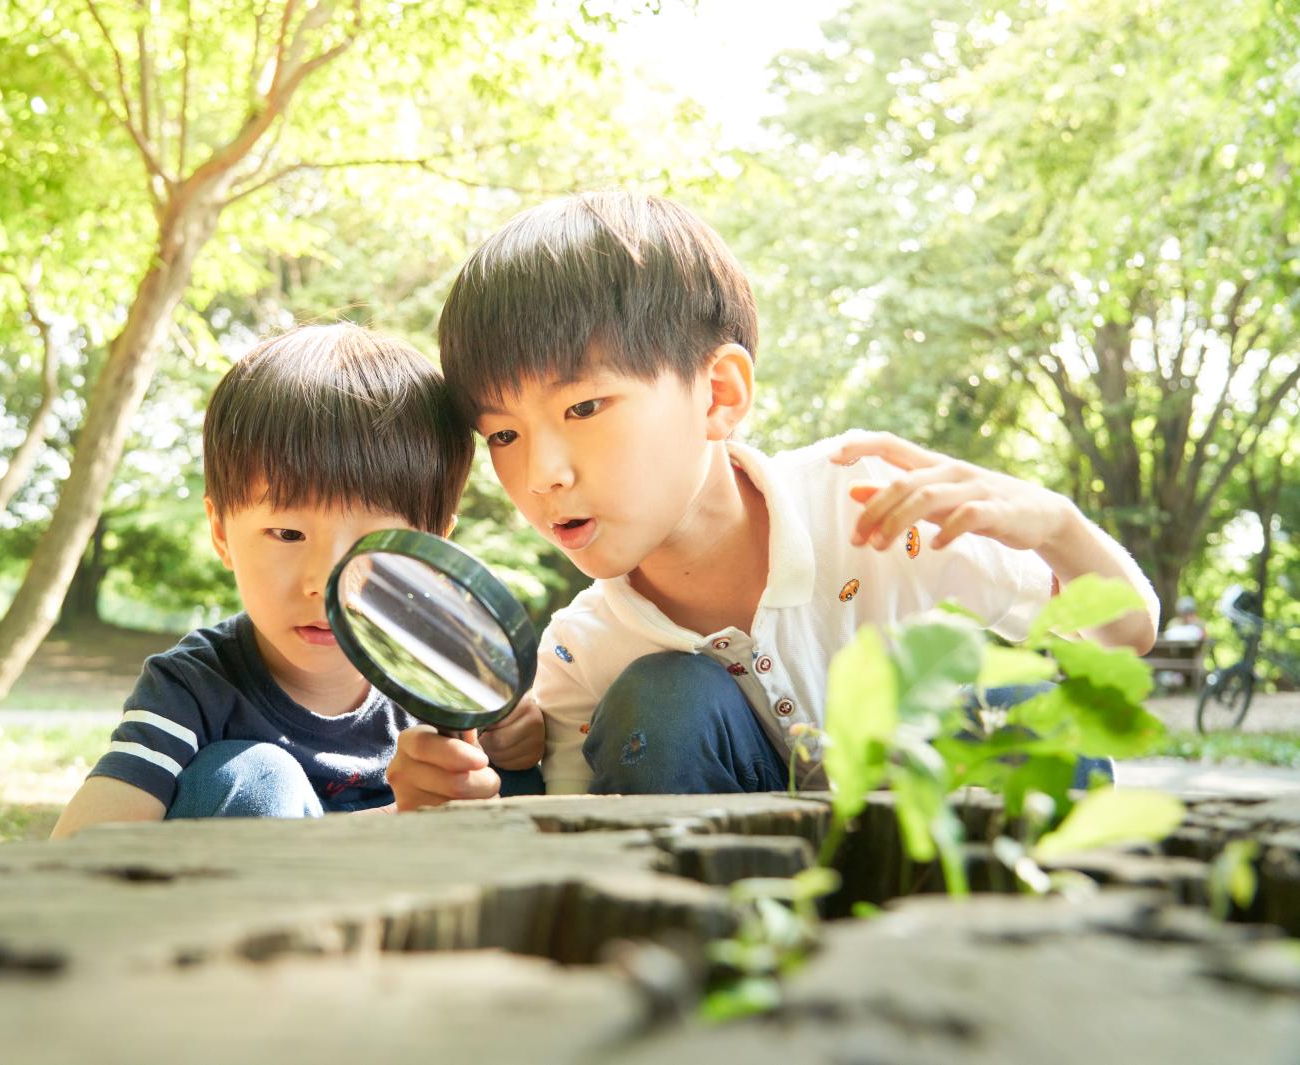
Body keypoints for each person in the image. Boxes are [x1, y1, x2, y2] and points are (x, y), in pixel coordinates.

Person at [386, 190, 1159, 805]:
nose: (540, 475)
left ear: (718, 392)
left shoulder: (876, 512)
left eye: (582, 408)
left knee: (1014, 686)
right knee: (662, 702)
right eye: (502, 436)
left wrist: (1056, 527)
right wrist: (466, 779)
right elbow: (559, 836)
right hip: (746, 931)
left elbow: (1123, 633)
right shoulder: (583, 650)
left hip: (948, 891)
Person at [52, 324, 536, 838]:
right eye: (287, 532)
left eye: (371, 543)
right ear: (220, 533)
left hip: (406, 913)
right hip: (242, 910)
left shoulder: (450, 682)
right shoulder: (192, 688)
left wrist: (515, 752)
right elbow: (77, 852)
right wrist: (402, 821)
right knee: (258, 777)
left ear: (431, 551)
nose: (322, 584)